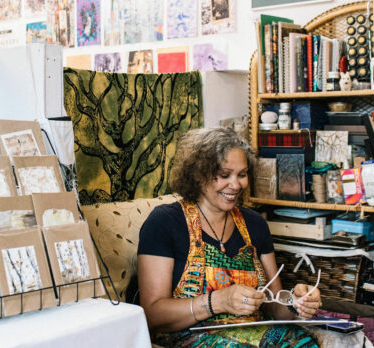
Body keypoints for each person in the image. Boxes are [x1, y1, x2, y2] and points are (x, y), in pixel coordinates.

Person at [137, 127, 322, 347]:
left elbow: (274, 307)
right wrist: (218, 301)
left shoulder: (255, 224)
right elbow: (152, 315)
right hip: (188, 335)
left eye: (242, 175)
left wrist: (295, 302)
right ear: (198, 174)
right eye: (224, 175)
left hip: (251, 331)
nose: (236, 185)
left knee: (304, 342)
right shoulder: (165, 222)